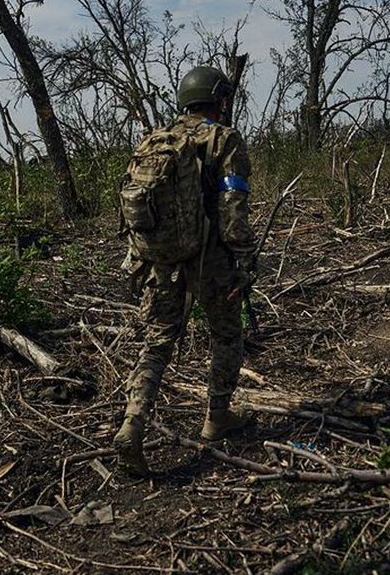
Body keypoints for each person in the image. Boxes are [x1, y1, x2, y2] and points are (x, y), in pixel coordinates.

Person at [113, 65, 257, 477]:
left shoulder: (155, 141)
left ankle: (133, 424)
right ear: (220, 101)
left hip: (160, 262)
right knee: (226, 333)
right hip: (209, 260)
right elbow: (233, 209)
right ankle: (217, 416)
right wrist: (245, 258)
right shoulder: (223, 139)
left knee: (157, 343)